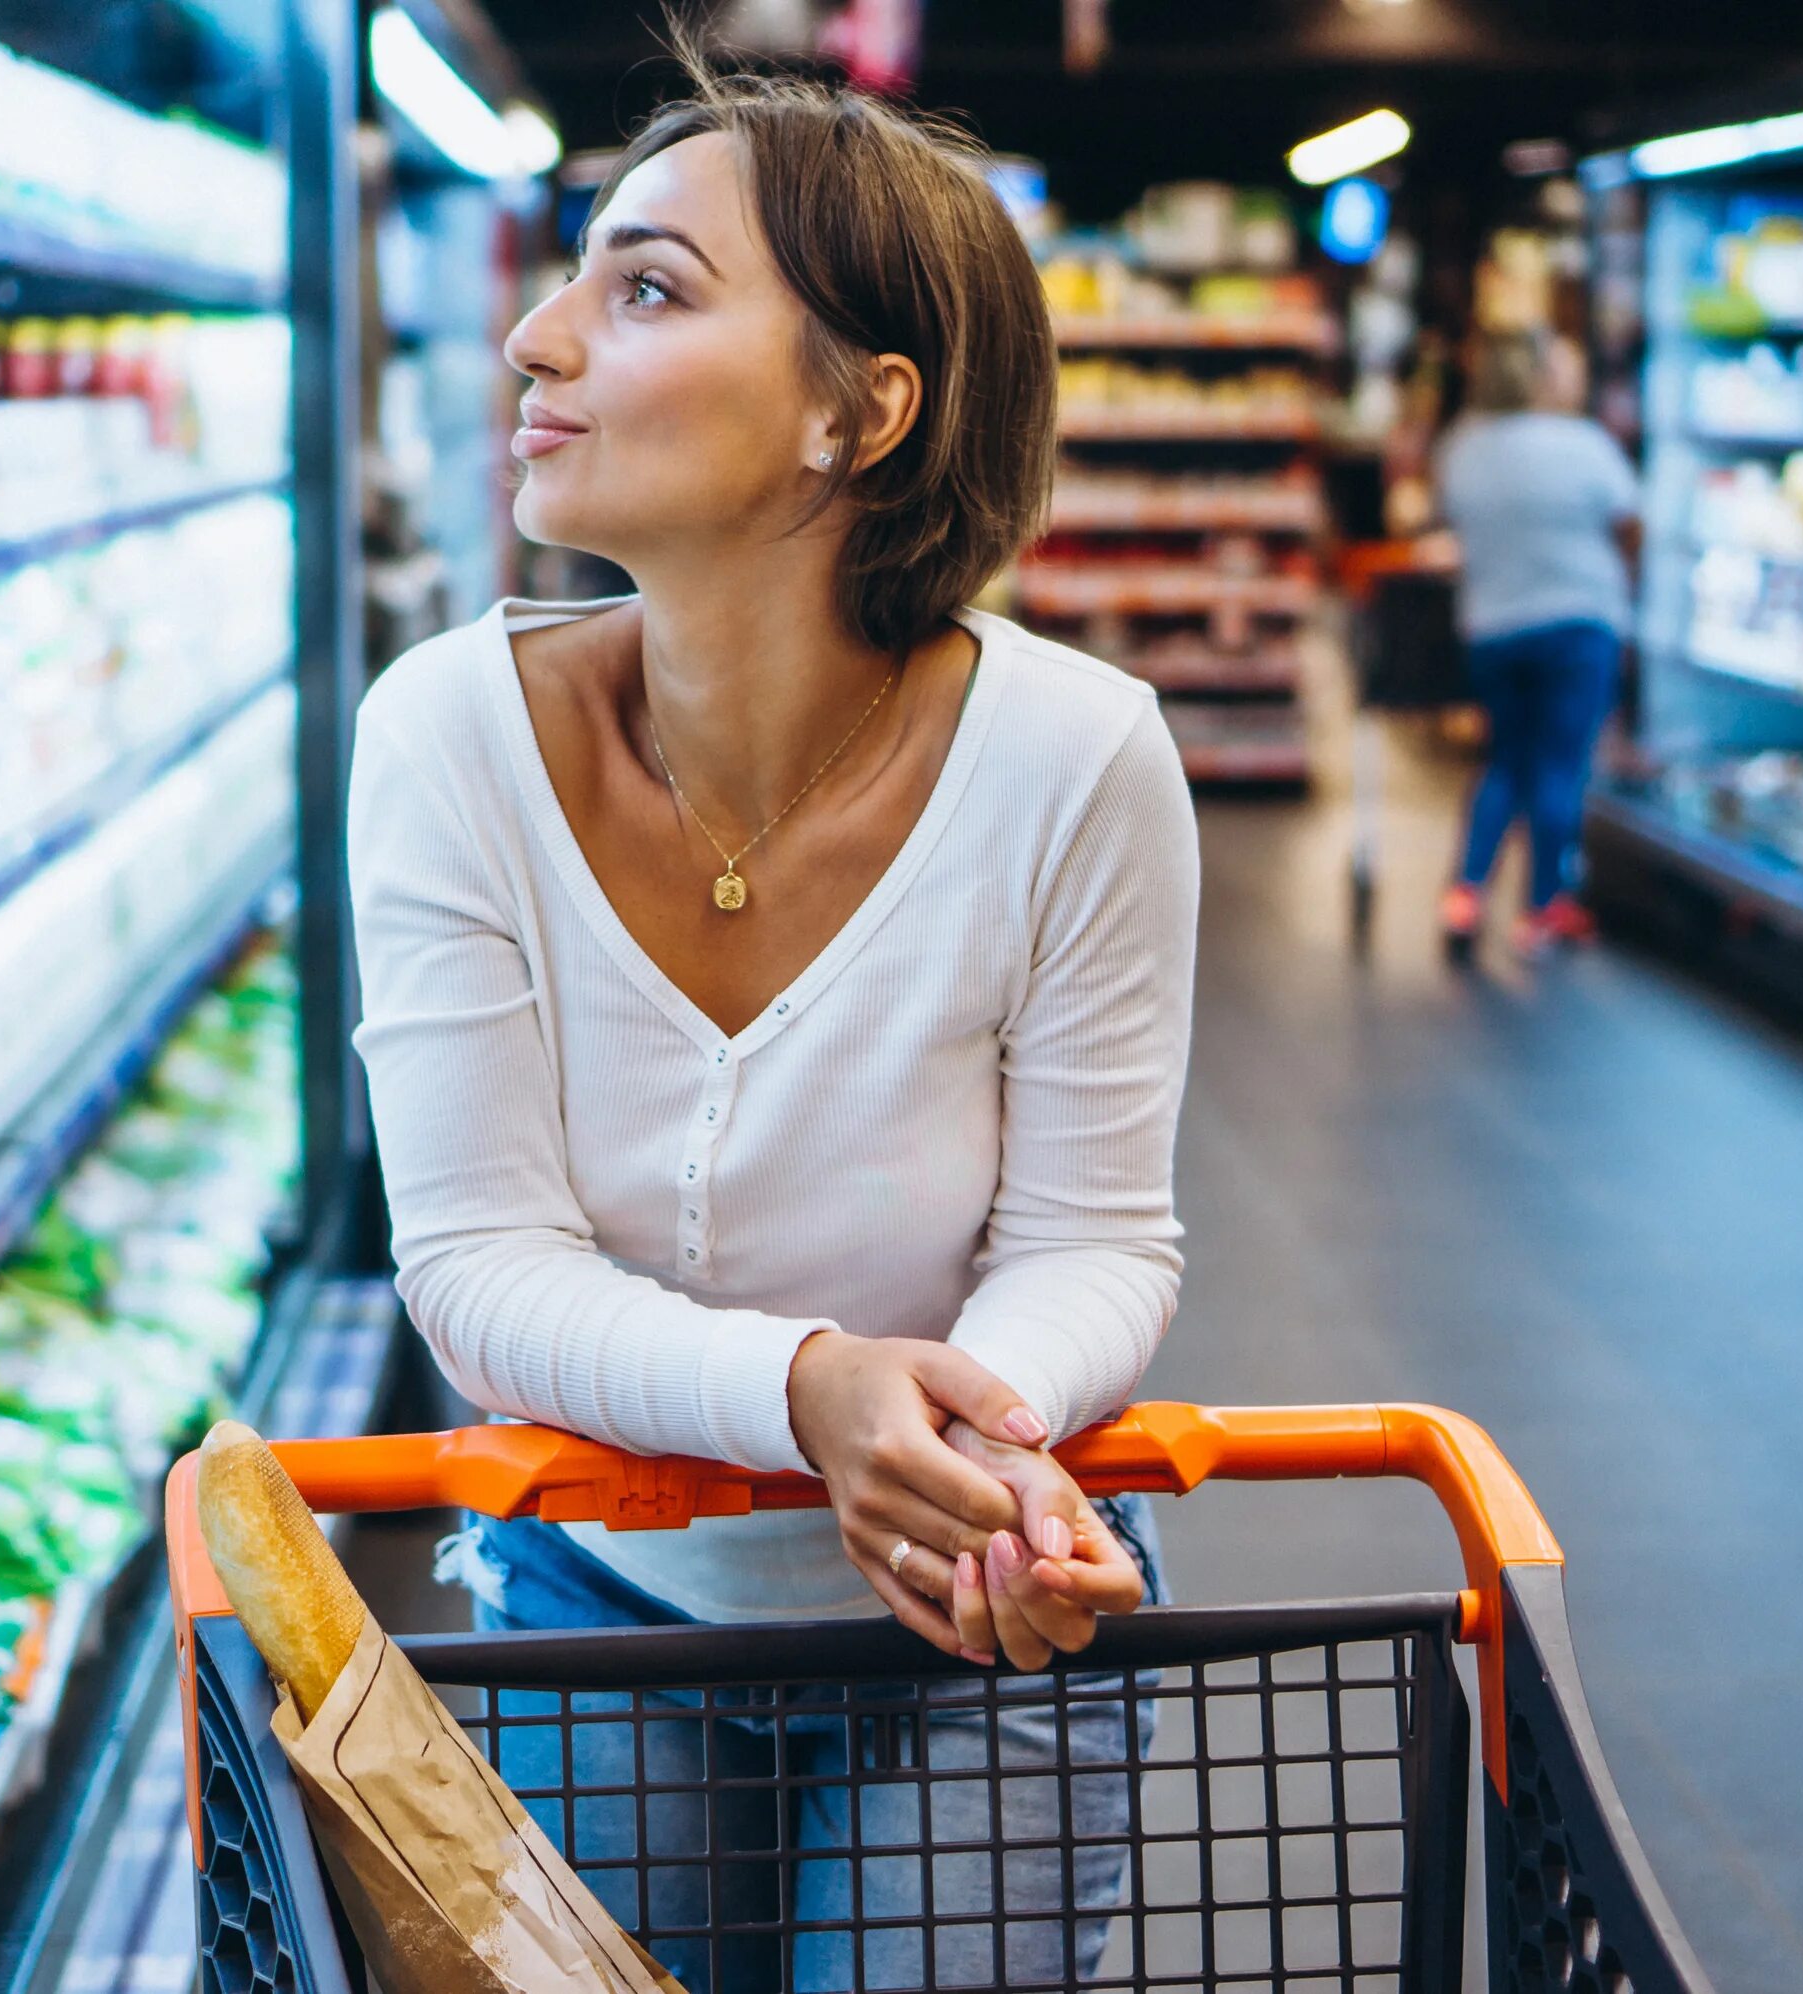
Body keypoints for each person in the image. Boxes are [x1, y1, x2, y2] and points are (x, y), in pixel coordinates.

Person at [344, 58, 1199, 1993]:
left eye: (644, 288)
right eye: (576, 277)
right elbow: (475, 1264)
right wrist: (812, 1393)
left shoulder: (1076, 758)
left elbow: (1094, 1235)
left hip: (993, 1612)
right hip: (600, 1587)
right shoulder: (447, 737)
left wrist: (978, 1469)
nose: (533, 336)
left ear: (858, 409)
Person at [1434, 329, 1640, 957]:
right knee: (1560, 766)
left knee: (1504, 760)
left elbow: (1446, 524)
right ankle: (1545, 907)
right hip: (1578, 624)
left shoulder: (1462, 448)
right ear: (1541, 376)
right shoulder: (1582, 444)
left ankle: (1465, 894)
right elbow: (1630, 525)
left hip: (1493, 626)